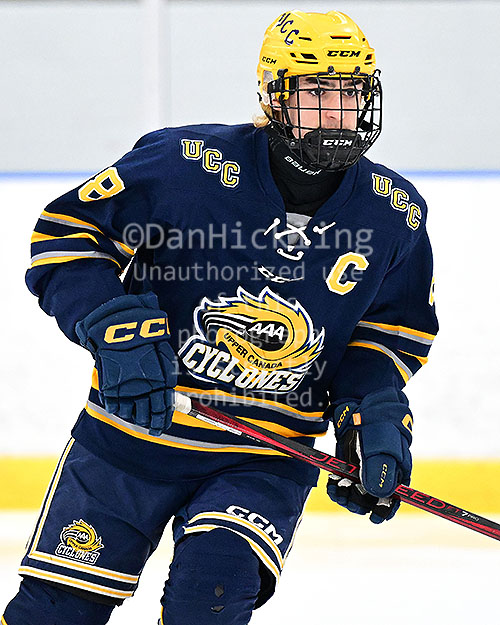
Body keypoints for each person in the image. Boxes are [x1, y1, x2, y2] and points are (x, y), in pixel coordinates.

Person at [2, 9, 438, 625]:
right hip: (131, 437)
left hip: (263, 458)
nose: (337, 112)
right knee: (55, 613)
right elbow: (67, 236)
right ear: (272, 96)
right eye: (316, 91)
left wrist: (372, 414)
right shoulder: (183, 164)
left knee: (209, 595)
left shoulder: (394, 213)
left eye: (351, 92)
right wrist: (115, 330)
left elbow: (388, 335)